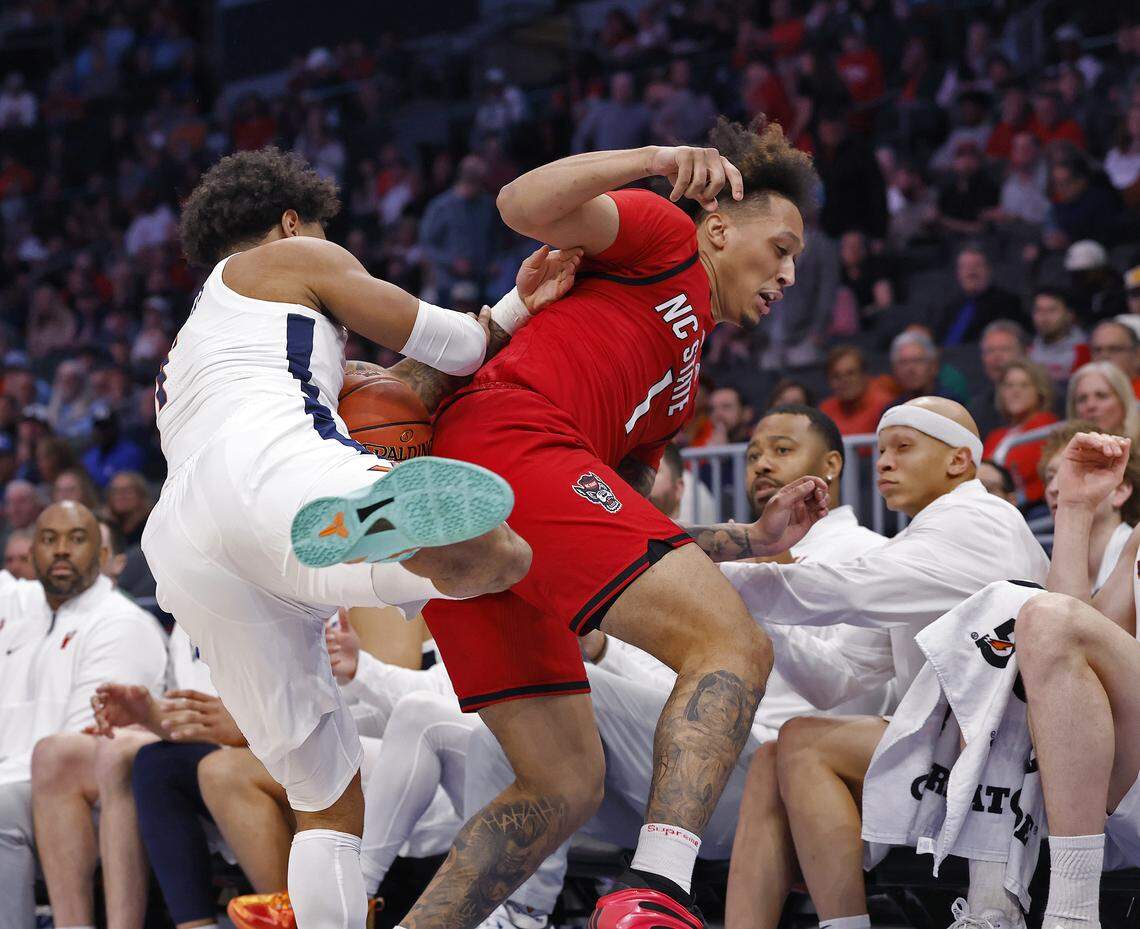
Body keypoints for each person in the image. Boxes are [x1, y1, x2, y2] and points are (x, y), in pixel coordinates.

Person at [372, 120, 826, 929]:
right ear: (719, 226)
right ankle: (658, 890)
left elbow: (623, 531)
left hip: (500, 517)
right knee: (732, 643)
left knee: (562, 783)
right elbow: (520, 202)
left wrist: (749, 540)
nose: (790, 273)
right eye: (782, 247)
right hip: (513, 443)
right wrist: (655, 161)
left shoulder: (680, 390)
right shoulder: (665, 241)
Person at [140, 147, 579, 929]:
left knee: (327, 803)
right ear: (287, 220)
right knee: (499, 553)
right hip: (271, 474)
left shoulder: (186, 348)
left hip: (186, 545)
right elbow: (456, 345)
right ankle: (370, 519)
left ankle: (368, 529)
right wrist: (513, 307)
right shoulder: (292, 256)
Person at [472, 406, 891, 929]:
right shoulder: (740, 552)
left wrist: (756, 602)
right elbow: (680, 684)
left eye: (782, 450)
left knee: (553, 692)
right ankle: (503, 908)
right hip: (683, 766)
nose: (761, 464)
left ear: (830, 464)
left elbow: (855, 697)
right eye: (753, 454)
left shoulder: (871, 557)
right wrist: (603, 651)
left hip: (779, 772)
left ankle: (525, 912)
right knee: (502, 714)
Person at [714, 398, 1049, 929]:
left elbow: (840, 589)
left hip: (1010, 757)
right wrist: (750, 600)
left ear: (959, 461)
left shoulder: (978, 521)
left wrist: (712, 573)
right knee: (771, 757)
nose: (884, 461)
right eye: (883, 448)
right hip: (957, 745)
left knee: (801, 740)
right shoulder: (922, 541)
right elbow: (836, 679)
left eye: (903, 447)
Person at [0, 502, 167, 929]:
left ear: (102, 555)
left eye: (76, 540)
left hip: (84, 796)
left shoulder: (121, 624)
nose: (61, 551)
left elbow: (79, 751)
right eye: (49, 539)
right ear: (30, 550)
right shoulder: (22, 612)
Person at [1040, 421, 1140, 593]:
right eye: (1050, 477)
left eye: (1077, 473)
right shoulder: (1045, 568)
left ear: (1120, 490)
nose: (1053, 488)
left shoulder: (1136, 552)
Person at [981, 360, 1059, 505]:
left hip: (1030, 508)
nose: (1015, 392)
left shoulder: (1047, 426)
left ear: (1039, 391)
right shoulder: (995, 436)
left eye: (1024, 385)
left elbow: (1019, 471)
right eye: (1009, 385)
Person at [934, 244, 1027, 346]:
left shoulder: (1006, 303)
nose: (971, 272)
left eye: (977, 265)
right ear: (958, 273)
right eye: (965, 267)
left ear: (988, 270)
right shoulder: (950, 306)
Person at [967, 320, 1029, 438]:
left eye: (1004, 349)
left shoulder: (1050, 401)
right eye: (990, 351)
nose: (996, 357)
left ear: (1025, 352)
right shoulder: (976, 409)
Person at [819, 346, 896, 436]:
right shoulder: (825, 411)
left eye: (850, 373)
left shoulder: (885, 406)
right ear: (828, 381)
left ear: (865, 375)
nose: (844, 380)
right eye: (836, 376)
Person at [1027, 287, 1089, 385]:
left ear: (1069, 315)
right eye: (1038, 310)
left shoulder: (1085, 351)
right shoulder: (1027, 351)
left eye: (1052, 310)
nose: (1044, 317)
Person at [1066, 361, 1140, 440]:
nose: (1091, 405)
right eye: (1082, 399)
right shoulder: (1060, 449)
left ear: (1123, 400)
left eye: (1101, 396)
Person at [1089, 319, 1140, 397]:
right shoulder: (1084, 397)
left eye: (1114, 349)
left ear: (1137, 355)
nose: (1104, 356)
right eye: (1097, 350)